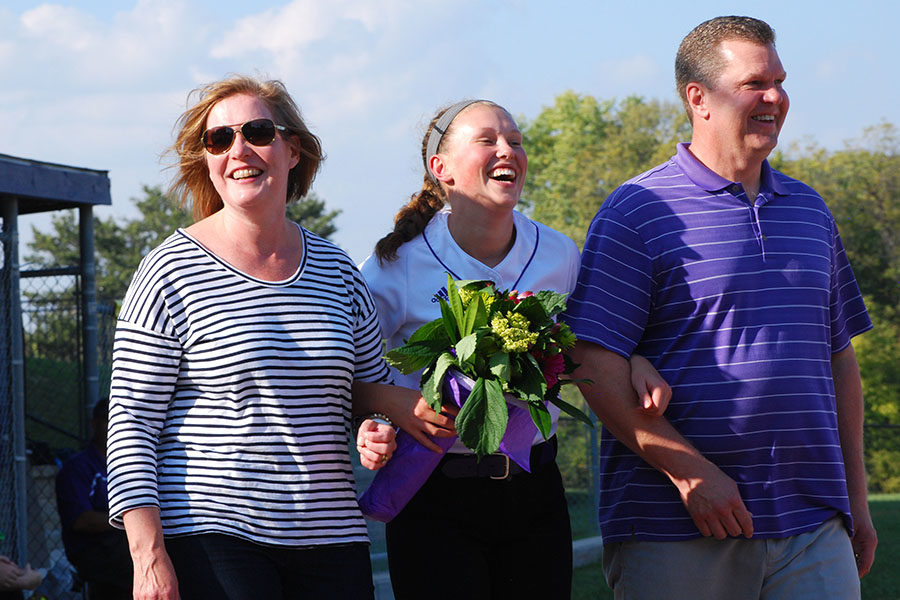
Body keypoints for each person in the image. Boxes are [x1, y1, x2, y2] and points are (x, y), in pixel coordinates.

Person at [563, 15, 877, 599]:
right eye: (755, 83)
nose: (775, 98)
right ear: (698, 98)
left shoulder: (810, 211)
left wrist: (854, 501)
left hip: (812, 525)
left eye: (780, 82)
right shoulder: (637, 211)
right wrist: (691, 473)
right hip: (673, 530)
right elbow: (592, 362)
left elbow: (838, 360)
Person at [106, 75, 402, 600]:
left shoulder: (338, 270)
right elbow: (131, 420)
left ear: (292, 150)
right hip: (213, 535)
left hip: (332, 537)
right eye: (219, 139)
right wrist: (147, 557)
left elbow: (372, 393)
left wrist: (376, 428)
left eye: (258, 131)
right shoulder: (168, 269)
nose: (239, 149)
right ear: (207, 162)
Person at [360, 99, 670, 600]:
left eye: (516, 141)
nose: (508, 150)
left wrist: (633, 360)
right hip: (433, 492)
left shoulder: (558, 254)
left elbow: (586, 345)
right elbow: (352, 380)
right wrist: (376, 419)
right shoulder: (393, 267)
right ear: (441, 169)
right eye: (487, 140)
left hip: (535, 489)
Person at [56, 398, 132, 599]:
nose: (115, 427)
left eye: (120, 421)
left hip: (123, 542)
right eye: (109, 420)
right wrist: (131, 520)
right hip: (94, 550)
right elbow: (82, 520)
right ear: (95, 424)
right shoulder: (78, 467)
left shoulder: (129, 464)